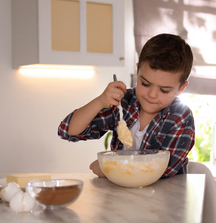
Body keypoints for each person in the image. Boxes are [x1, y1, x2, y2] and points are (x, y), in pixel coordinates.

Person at [58, 33, 195, 178]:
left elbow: (164, 170)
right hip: (123, 195)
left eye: (164, 90)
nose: (152, 94)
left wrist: (110, 168)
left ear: (181, 88)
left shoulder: (180, 117)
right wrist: (100, 102)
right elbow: (69, 131)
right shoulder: (124, 103)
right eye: (145, 84)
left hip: (164, 197)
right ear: (137, 71)